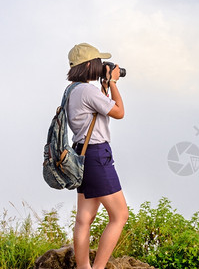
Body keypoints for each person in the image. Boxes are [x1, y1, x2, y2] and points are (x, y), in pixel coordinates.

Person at [66, 43, 128, 269]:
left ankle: (84, 268)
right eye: (99, 62)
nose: (103, 65)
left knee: (84, 218)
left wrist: (104, 86)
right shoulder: (88, 91)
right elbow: (119, 112)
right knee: (120, 215)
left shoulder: (72, 90)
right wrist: (112, 82)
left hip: (81, 153)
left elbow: (94, 111)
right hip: (97, 156)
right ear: (90, 65)